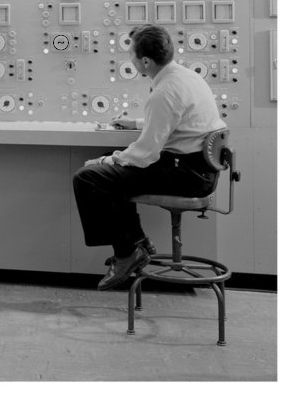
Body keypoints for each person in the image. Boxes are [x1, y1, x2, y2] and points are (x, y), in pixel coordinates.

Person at [72, 24, 225, 290]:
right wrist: (135, 124)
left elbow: (145, 154)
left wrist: (106, 161)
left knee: (88, 177)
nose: (129, 59)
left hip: (185, 175)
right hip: (199, 170)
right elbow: (175, 121)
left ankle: (126, 253)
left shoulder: (164, 92)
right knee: (112, 170)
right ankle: (136, 243)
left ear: (144, 61)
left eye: (130, 54)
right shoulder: (185, 77)